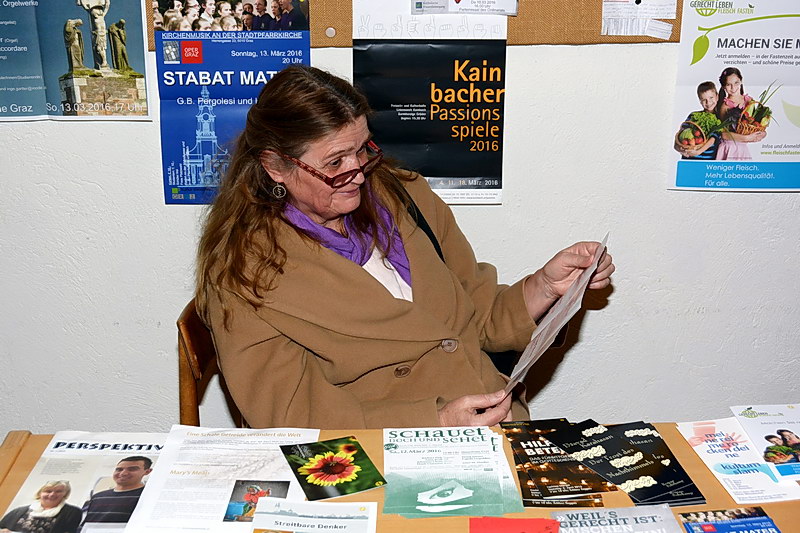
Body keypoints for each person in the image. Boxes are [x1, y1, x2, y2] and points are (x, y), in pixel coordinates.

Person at [195, 66, 615, 430]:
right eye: (335, 163)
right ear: (274, 166)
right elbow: (290, 413)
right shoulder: (243, 272)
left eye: (362, 149)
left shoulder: (405, 197)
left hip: (493, 426)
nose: (358, 173)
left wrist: (546, 287)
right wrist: (435, 421)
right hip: (381, 452)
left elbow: (478, 315)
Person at [80, 457, 153, 527]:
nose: (123, 473)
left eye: (132, 469)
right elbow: (84, 524)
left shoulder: (148, 496)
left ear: (147, 471)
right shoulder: (97, 497)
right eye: (119, 469)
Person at [715, 67, 766, 160]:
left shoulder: (749, 101)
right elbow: (723, 134)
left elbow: (755, 123)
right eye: (728, 84)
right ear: (724, 86)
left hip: (742, 148)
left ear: (741, 81)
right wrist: (746, 138)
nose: (733, 88)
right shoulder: (725, 106)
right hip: (729, 147)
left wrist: (762, 133)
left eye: (736, 83)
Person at [0, 480, 81, 533]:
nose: (52, 494)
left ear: (65, 494)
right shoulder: (18, 511)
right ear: (40, 493)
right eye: (48, 491)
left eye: (58, 491)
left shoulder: (72, 512)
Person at [674, 82, 721, 160]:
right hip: (689, 159)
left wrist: (698, 152)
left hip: (707, 160)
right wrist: (679, 148)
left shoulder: (719, 118)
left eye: (711, 98)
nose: (708, 102)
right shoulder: (693, 116)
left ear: (717, 97)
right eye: (704, 100)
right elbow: (680, 134)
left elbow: (713, 138)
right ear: (700, 101)